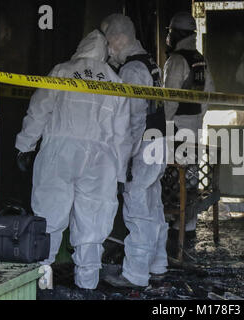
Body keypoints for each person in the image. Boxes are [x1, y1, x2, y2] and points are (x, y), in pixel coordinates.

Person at [15, 30, 132, 290]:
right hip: (100, 160)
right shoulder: (115, 80)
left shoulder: (62, 71)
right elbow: (122, 134)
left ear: (81, 47)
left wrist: (24, 145)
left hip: (59, 152)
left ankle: (42, 288)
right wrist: (121, 174)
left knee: (48, 219)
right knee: (93, 224)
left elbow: (39, 109)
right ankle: (87, 286)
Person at [100, 14, 168, 288]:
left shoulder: (131, 70)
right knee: (154, 208)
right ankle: (158, 265)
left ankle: (135, 275)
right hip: (159, 144)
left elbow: (132, 120)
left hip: (142, 148)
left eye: (108, 43)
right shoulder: (151, 64)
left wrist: (123, 159)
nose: (108, 50)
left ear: (118, 39)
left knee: (138, 211)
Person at [163, 12, 215, 232]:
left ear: (176, 33)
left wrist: (164, 126)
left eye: (170, 32)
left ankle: (177, 222)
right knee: (191, 173)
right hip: (193, 124)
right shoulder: (199, 58)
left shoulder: (176, 60)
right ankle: (189, 222)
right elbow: (209, 92)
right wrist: (199, 119)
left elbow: (169, 98)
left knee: (174, 174)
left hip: (177, 126)